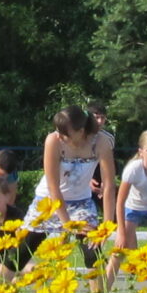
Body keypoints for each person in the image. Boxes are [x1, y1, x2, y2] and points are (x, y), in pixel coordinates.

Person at [35, 107, 114, 249]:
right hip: (48, 200)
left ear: (81, 132)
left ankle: (103, 271)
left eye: (64, 133)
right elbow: (53, 187)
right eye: (58, 130)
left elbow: (108, 186)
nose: (59, 135)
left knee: (92, 253)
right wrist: (68, 225)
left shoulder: (102, 142)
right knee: (21, 254)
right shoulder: (53, 141)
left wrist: (106, 227)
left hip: (81, 202)